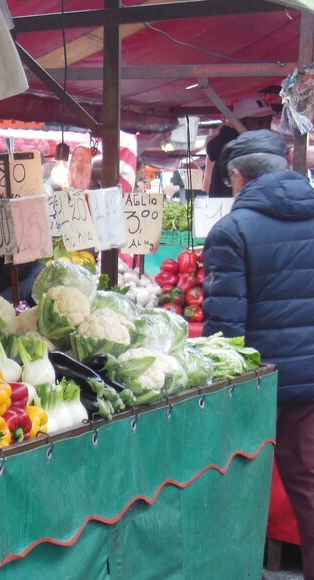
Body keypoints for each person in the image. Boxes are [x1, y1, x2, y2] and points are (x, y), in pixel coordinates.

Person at [201, 129, 314, 578]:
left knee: (245, 480)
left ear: (238, 177)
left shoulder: (232, 231)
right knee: (307, 485)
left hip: (268, 383)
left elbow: (225, 331)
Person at [206, 96, 276, 198]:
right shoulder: (237, 151)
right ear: (239, 123)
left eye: (268, 122)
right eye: (259, 122)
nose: (265, 128)